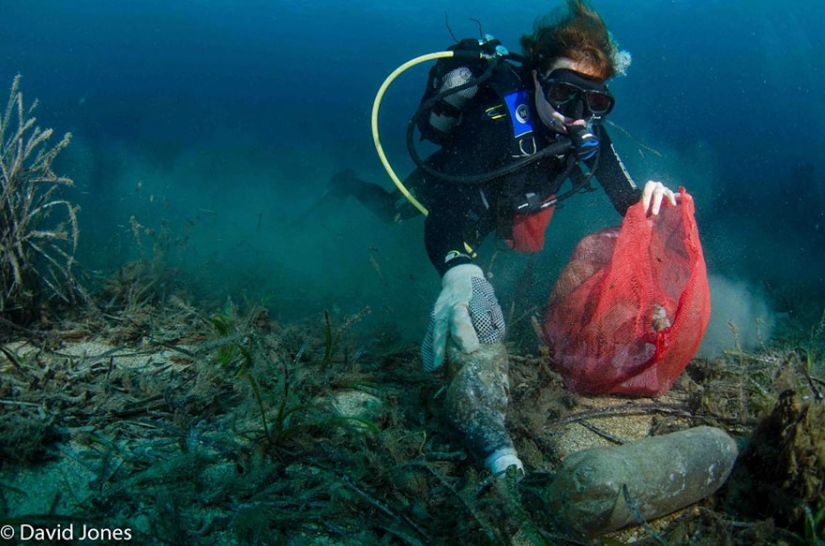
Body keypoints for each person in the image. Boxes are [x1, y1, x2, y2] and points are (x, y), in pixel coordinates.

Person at [330, 0, 678, 477]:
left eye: (594, 102)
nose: (577, 115)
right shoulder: (492, 123)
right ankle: (348, 184)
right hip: (455, 187)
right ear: (536, 78)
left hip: (507, 209)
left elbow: (626, 198)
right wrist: (458, 269)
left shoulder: (588, 134)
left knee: (505, 257)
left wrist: (649, 197)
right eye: (564, 93)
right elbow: (447, 216)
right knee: (393, 214)